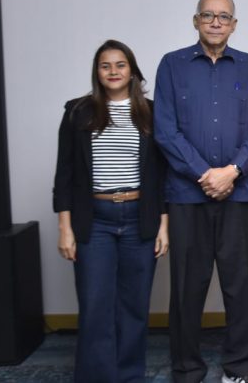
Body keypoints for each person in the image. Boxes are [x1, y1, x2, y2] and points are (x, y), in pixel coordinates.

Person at [154, 0, 248, 383]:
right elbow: (165, 130)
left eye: (224, 17)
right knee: (188, 288)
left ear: (234, 24)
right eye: (208, 15)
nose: (216, 22)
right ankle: (187, 369)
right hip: (187, 196)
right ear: (196, 21)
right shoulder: (171, 66)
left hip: (239, 195)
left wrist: (232, 171)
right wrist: (206, 174)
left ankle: (239, 369)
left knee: (239, 288)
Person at [53, 39, 168, 382]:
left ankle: (129, 376)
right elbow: (64, 173)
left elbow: (160, 175)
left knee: (134, 308)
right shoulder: (78, 112)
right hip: (95, 221)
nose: (114, 71)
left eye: (120, 65)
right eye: (106, 65)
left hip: (138, 219)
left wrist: (162, 225)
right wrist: (65, 227)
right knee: (95, 306)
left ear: (132, 70)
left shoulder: (151, 112)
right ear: (97, 72)